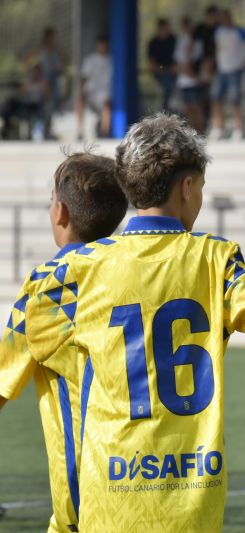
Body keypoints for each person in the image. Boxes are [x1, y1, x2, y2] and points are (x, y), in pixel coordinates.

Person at [21, 113, 245, 532]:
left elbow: (37, 337)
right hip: (192, 493)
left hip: (111, 490)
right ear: (187, 187)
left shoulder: (81, 269)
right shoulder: (216, 258)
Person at [0, 153, 128, 533]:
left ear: (61, 212)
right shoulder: (136, 272)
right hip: (150, 478)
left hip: (85, 498)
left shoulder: (50, 285)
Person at [209, 9, 245, 141]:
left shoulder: (239, 31)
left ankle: (238, 128)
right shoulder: (218, 31)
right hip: (221, 69)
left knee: (235, 100)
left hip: (235, 69)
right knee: (216, 98)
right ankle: (218, 127)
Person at [23, 27, 63, 138]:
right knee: (41, 106)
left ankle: (48, 130)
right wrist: (31, 72)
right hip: (42, 82)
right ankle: (39, 130)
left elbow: (60, 66)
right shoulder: (40, 50)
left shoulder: (56, 50)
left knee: (50, 107)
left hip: (53, 82)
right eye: (51, 37)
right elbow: (25, 60)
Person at [76, 35, 112, 139]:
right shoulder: (90, 60)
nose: (102, 46)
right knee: (80, 100)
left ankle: (104, 132)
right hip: (91, 92)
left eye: (104, 44)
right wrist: (82, 91)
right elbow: (84, 77)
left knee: (106, 104)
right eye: (100, 44)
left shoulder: (111, 60)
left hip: (104, 92)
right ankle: (80, 131)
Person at [174, 15, 205, 132]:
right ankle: (191, 132)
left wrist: (190, 52)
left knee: (197, 107)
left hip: (194, 81)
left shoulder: (198, 42)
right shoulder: (181, 40)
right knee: (187, 109)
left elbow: (196, 61)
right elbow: (178, 63)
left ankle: (200, 132)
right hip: (183, 82)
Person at [147, 18, 177, 111]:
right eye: (166, 28)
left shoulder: (173, 40)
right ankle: (165, 109)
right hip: (160, 74)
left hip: (175, 74)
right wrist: (166, 69)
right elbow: (153, 65)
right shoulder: (153, 43)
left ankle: (170, 108)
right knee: (168, 86)